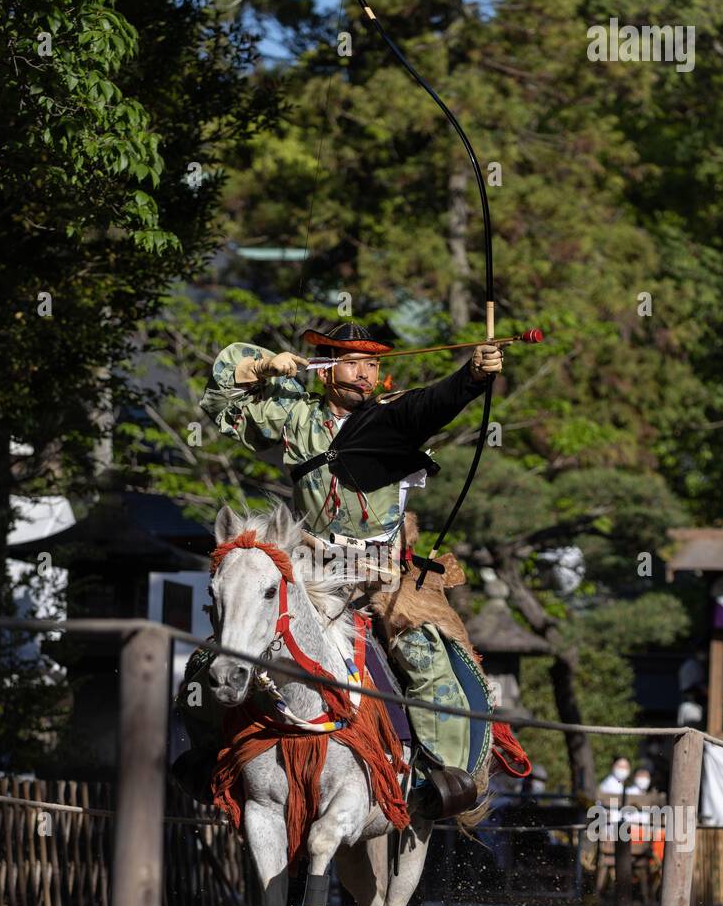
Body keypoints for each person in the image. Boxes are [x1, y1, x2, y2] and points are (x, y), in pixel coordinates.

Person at [198, 319, 505, 818]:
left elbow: (436, 402)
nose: (365, 373)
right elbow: (219, 405)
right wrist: (259, 366)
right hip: (310, 571)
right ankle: (208, 758)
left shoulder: (391, 416)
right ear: (325, 369)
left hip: (377, 577)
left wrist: (472, 375)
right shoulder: (295, 414)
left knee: (425, 656)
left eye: (373, 363)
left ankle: (439, 774)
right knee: (224, 646)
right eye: (353, 361)